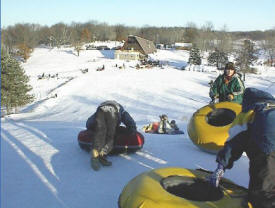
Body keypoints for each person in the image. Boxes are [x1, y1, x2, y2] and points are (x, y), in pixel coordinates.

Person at [209, 88, 275, 208]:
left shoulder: (249, 112)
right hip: (269, 141)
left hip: (267, 146)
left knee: (262, 191)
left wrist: (221, 166)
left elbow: (235, 141)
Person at [86, 100, 137, 171]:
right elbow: (128, 120)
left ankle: (96, 154)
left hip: (101, 112)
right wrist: (132, 129)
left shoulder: (101, 108)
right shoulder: (120, 109)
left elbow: (90, 121)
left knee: (100, 131)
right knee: (111, 135)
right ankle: (101, 154)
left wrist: (90, 127)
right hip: (113, 114)